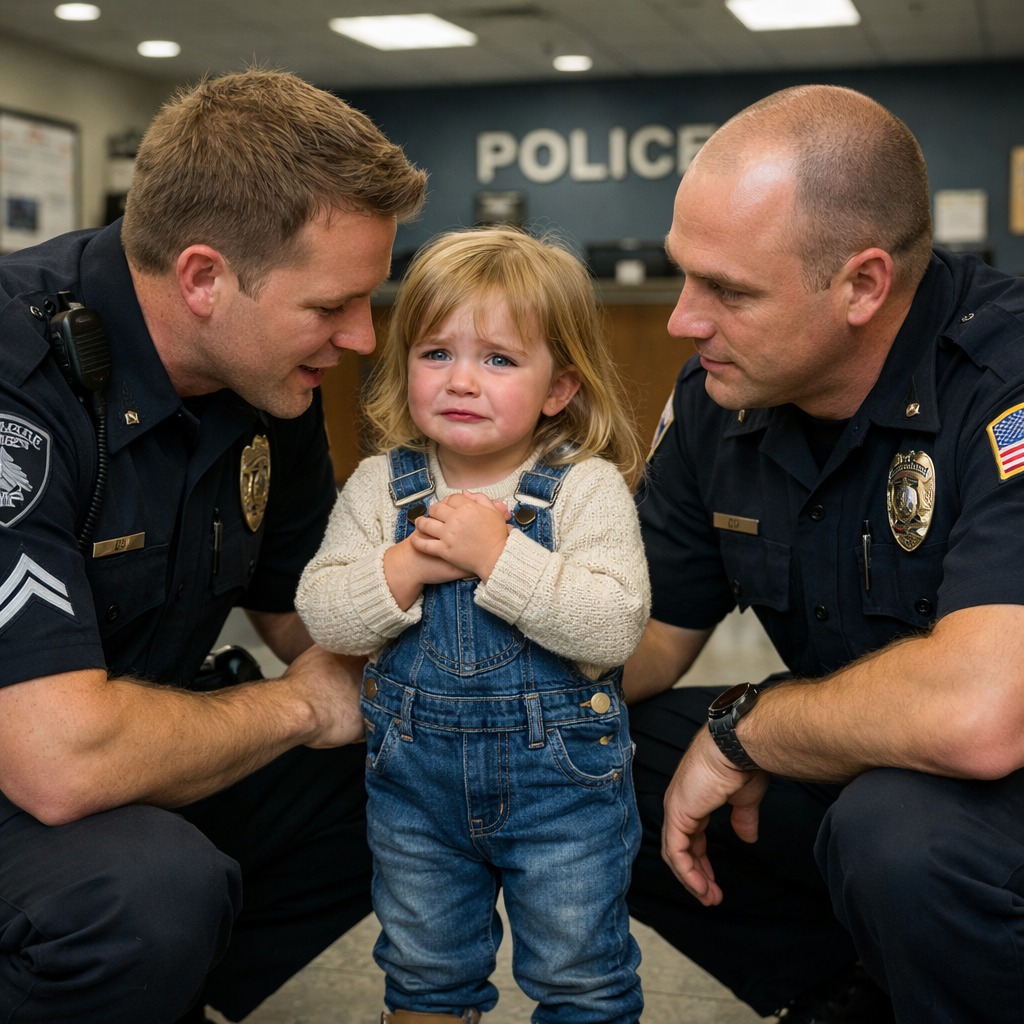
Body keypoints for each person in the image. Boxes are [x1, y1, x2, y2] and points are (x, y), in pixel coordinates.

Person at [0, 68, 425, 1023]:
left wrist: (451, 689)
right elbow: (58, 762)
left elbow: (305, 610)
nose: (361, 338)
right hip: (28, 756)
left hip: (119, 740)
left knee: (426, 768)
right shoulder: (16, 381)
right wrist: (301, 709)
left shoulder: (268, 377)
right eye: (330, 307)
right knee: (146, 893)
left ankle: (148, 996)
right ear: (203, 278)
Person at [621, 81, 1024, 1024]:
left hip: (991, 779)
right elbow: (641, 636)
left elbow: (980, 716)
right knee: (588, 753)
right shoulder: (723, 400)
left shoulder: (1005, 387)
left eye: (726, 289)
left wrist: (747, 727)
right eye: (683, 272)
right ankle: (856, 993)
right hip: (883, 767)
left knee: (900, 834)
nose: (683, 317)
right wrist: (480, 623)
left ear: (863, 284)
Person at [295, 226, 651, 1024]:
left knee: (580, 975)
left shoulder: (585, 488)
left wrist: (501, 558)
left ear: (559, 387)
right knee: (424, 972)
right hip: (413, 794)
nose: (461, 380)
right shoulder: (381, 485)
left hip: (564, 791)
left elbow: (613, 627)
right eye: (435, 353)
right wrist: (410, 565)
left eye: (498, 358)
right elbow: (324, 610)